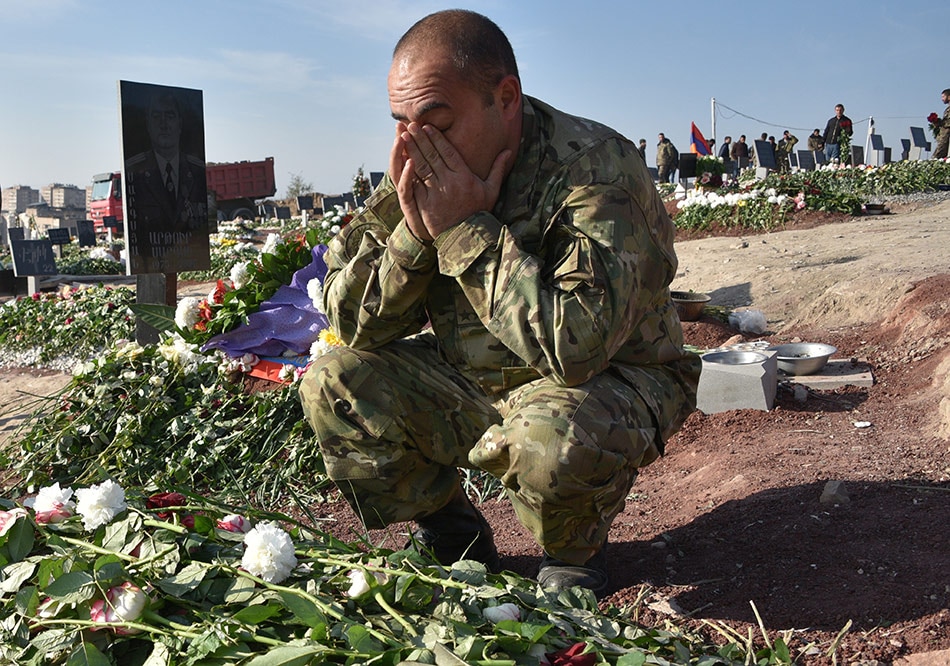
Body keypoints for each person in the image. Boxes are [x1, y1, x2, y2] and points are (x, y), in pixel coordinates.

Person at [298, 9, 700, 597]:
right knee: (335, 381)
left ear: (505, 97)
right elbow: (351, 322)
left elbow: (578, 347)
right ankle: (451, 534)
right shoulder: (417, 171)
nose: (415, 144)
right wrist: (416, 234)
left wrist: (464, 231)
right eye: (400, 123)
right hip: (474, 377)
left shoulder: (594, 169)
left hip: (608, 383)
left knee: (550, 438)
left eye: (437, 121)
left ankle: (573, 550)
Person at [125, 90, 208, 271]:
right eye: (156, 116)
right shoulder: (134, 171)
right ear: (148, 124)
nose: (163, 124)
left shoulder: (196, 171)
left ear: (180, 123)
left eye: (169, 116)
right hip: (149, 261)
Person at [932, 88, 950, 160]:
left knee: (936, 158)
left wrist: (940, 123)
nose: (942, 99)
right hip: (944, 138)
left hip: (946, 138)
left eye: (943, 97)